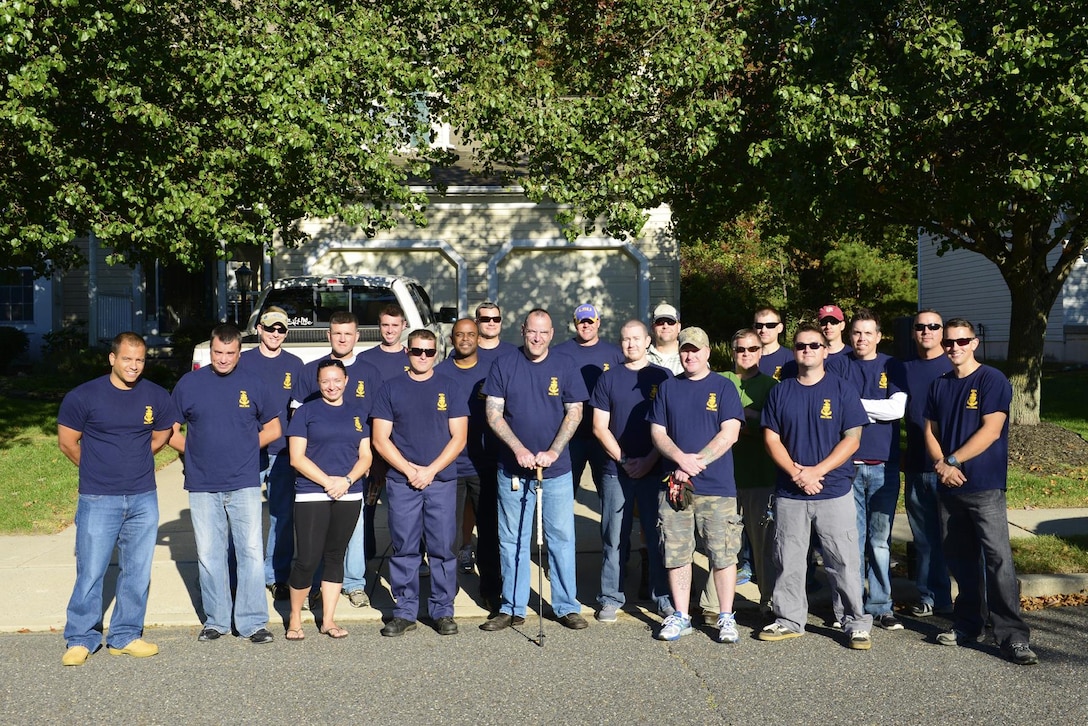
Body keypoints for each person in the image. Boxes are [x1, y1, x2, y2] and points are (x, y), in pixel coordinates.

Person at [57, 332, 176, 666]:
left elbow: (163, 433)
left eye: (139, 360)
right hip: (98, 498)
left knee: (137, 571)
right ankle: (81, 638)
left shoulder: (155, 395)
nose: (133, 366)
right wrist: (97, 467)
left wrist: (138, 459)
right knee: (91, 570)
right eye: (127, 359)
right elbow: (68, 442)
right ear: (112, 359)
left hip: (143, 498)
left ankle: (125, 635)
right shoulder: (84, 396)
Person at [924, 318, 1038, 665]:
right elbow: (929, 430)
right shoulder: (939, 384)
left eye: (962, 341)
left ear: (974, 343)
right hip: (949, 486)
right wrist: (942, 465)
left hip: (984, 485)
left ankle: (1013, 637)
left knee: (997, 560)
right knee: (960, 559)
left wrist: (953, 460)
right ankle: (968, 625)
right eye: (948, 343)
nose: (954, 347)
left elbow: (992, 430)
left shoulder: (992, 379)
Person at [759, 324, 873, 649]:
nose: (806, 350)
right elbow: (771, 438)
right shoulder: (781, 391)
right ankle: (788, 619)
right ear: (794, 351)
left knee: (844, 561)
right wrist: (797, 473)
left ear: (825, 350)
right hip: (790, 492)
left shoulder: (842, 389)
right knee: (788, 560)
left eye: (813, 345)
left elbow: (852, 439)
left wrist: (816, 471)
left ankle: (854, 623)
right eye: (800, 346)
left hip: (834, 489)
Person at [480, 308, 590, 631]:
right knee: (512, 538)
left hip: (556, 471)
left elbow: (575, 412)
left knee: (560, 538)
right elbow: (493, 413)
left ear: (552, 333)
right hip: (513, 469)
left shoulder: (565, 365)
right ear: (523, 330)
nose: (537, 338)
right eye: (532, 332)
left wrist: (554, 451)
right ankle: (512, 605)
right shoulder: (504, 364)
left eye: (543, 332)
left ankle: (566, 605)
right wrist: (519, 449)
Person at [170, 324, 280, 644]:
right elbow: (168, 430)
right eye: (218, 352)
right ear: (210, 350)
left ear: (239, 353)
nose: (223, 359)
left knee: (248, 551)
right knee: (209, 553)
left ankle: (252, 622)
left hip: (244, 481)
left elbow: (274, 428)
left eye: (230, 354)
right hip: (203, 483)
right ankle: (216, 620)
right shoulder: (190, 383)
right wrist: (191, 450)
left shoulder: (254, 383)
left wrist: (248, 446)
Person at [648, 327, 745, 643]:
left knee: (723, 553)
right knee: (676, 552)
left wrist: (696, 462)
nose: (690, 355)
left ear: (707, 352)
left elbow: (729, 433)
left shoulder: (724, 387)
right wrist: (680, 460)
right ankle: (681, 615)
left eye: (696, 350)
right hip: (675, 487)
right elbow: (658, 433)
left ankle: (726, 616)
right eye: (685, 350)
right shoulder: (667, 388)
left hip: (716, 488)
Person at [372, 329, 468, 636]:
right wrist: (409, 470)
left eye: (428, 352)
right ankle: (404, 611)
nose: (423, 357)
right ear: (407, 352)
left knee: (442, 548)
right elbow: (380, 438)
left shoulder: (450, 387)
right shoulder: (390, 388)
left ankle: (442, 610)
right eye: (417, 351)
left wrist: (429, 470)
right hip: (402, 482)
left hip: (440, 480)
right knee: (404, 547)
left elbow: (459, 437)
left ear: (436, 354)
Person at [292, 311, 384, 610]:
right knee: (315, 538)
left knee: (353, 532)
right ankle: (313, 586)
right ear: (328, 335)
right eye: (336, 333)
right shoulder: (310, 371)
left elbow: (375, 423)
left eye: (348, 333)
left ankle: (355, 584)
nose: (342, 338)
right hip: (316, 469)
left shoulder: (370, 371)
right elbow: (299, 419)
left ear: (357, 336)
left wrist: (366, 465)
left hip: (354, 466)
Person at [591, 320, 674, 622]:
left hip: (654, 470)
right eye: (625, 339)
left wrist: (650, 460)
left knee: (656, 535)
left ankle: (662, 596)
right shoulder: (607, 379)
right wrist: (625, 460)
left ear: (647, 340)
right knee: (614, 537)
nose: (630, 344)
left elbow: (669, 427)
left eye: (636, 339)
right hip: (617, 470)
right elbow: (599, 427)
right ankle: (610, 597)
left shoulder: (662, 377)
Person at [283, 359, 373, 640]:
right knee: (307, 559)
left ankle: (329, 620)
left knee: (335, 557)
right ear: (318, 383)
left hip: (349, 493)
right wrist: (328, 482)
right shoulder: (305, 412)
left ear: (346, 381)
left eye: (336, 380)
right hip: (312, 493)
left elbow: (366, 455)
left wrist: (345, 481)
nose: (331, 386)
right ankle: (295, 617)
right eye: (325, 381)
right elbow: (297, 458)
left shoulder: (358, 413)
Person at [843, 309, 907, 630]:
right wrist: (871, 408)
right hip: (848, 467)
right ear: (849, 335)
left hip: (884, 464)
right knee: (852, 541)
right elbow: (837, 406)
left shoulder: (892, 365)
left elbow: (897, 408)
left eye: (868, 333)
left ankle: (881, 605)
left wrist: (857, 405)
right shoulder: (840, 364)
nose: (862, 339)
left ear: (879, 336)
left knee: (879, 541)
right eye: (856, 332)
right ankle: (853, 607)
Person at [437, 318, 503, 612]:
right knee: (446, 536)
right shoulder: (438, 373)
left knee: (489, 533)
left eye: (470, 335)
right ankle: (445, 592)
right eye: (459, 335)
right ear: (451, 339)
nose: (465, 339)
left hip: (484, 465)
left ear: (479, 338)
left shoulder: (493, 373)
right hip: (449, 467)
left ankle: (491, 591)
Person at [239, 306, 305, 600]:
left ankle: (276, 576)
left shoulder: (295, 364)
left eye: (281, 329)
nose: (275, 334)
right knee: (246, 516)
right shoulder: (242, 362)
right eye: (270, 328)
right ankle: (247, 577)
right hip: (249, 451)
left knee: (281, 516)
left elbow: (300, 410)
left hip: (282, 451)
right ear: (259, 329)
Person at [720, 328, 779, 617]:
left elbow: (774, 426)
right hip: (724, 478)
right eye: (740, 349)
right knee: (722, 547)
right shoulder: (721, 381)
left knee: (763, 547)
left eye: (752, 349)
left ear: (761, 351)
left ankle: (768, 601)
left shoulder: (772, 386)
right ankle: (718, 605)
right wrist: (748, 415)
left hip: (760, 476)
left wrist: (738, 415)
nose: (746, 354)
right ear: (733, 351)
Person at [901, 309, 954, 617]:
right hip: (919, 465)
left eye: (933, 326)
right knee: (925, 539)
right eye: (920, 327)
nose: (926, 331)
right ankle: (933, 598)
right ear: (913, 332)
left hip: (953, 468)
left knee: (959, 538)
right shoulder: (903, 369)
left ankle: (978, 601)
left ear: (941, 330)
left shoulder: (954, 364)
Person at [555, 303, 625, 498]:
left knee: (609, 493)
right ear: (575, 323)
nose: (586, 326)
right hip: (571, 437)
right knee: (564, 494)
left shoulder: (615, 354)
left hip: (603, 436)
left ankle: (612, 529)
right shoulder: (559, 353)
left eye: (590, 321)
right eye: (581, 322)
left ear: (598, 322)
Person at [358, 303, 410, 380]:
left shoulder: (412, 358)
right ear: (379, 324)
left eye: (395, 325)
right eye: (385, 325)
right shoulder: (364, 358)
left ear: (403, 325)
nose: (390, 330)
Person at [753, 306, 792, 380]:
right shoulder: (746, 357)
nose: (763, 330)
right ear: (753, 328)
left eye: (770, 325)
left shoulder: (791, 359)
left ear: (780, 328)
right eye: (759, 326)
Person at [474, 301, 518, 366]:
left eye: (496, 319)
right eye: (485, 319)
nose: (491, 323)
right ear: (476, 322)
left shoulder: (514, 352)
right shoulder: (466, 352)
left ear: (500, 322)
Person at [647, 303, 683, 374]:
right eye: (660, 322)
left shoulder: (691, 359)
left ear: (679, 327)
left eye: (670, 322)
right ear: (652, 327)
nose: (665, 326)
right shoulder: (642, 358)